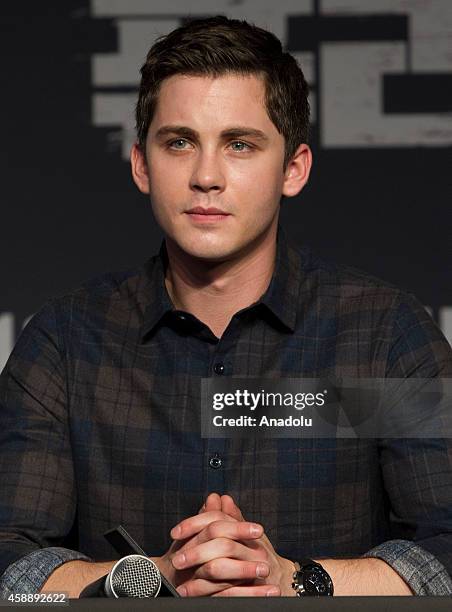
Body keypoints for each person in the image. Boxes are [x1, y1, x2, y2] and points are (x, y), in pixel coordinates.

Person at [1, 15, 451, 598]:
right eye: (180, 142)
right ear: (141, 163)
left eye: (240, 144)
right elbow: (9, 556)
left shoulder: (382, 333)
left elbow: (447, 542)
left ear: (293, 169)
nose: (206, 176)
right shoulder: (66, 340)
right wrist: (153, 580)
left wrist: (295, 581)